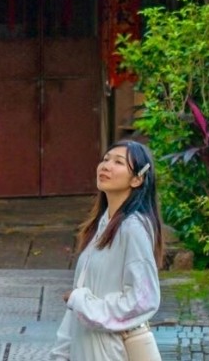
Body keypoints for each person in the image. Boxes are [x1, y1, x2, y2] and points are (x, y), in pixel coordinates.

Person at [51, 141, 165, 361]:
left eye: (118, 162)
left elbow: (144, 298)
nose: (106, 166)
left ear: (137, 179)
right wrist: (61, 353)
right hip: (85, 345)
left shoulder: (133, 227)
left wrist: (83, 302)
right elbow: (78, 299)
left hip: (109, 349)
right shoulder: (101, 225)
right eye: (105, 159)